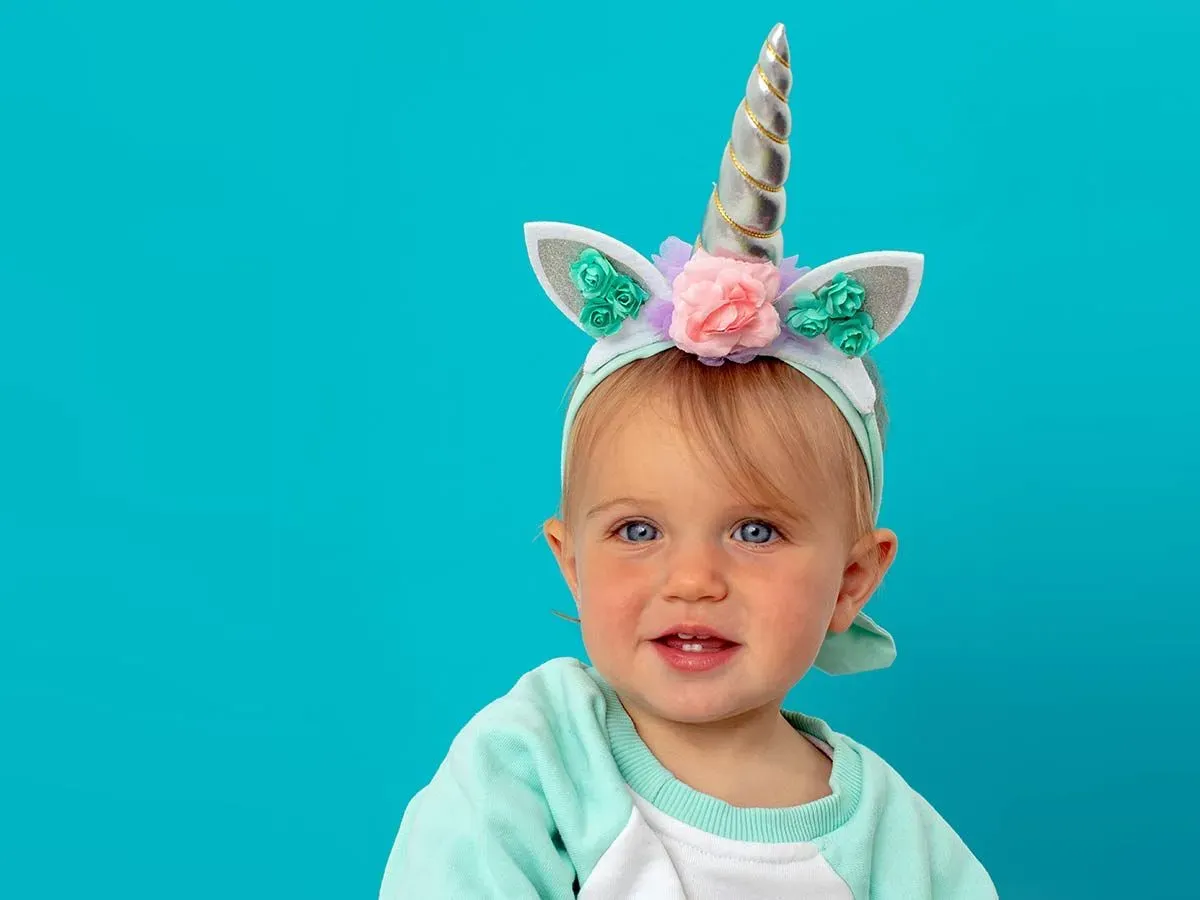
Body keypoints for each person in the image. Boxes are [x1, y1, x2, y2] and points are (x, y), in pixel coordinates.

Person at [379, 22, 997, 898]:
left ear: (853, 581)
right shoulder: (540, 762)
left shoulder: (898, 845)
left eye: (755, 529)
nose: (695, 579)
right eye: (637, 529)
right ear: (572, 561)